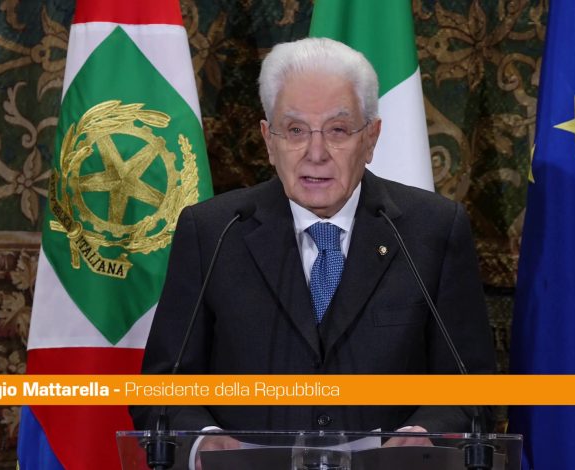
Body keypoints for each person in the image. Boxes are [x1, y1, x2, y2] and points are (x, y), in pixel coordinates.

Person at [131, 37, 495, 449]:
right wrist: (204, 442)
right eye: (295, 131)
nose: (316, 153)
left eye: (338, 130)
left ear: (371, 138)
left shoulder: (433, 229)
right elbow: (161, 389)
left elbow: (473, 388)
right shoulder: (214, 231)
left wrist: (423, 435)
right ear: (269, 140)